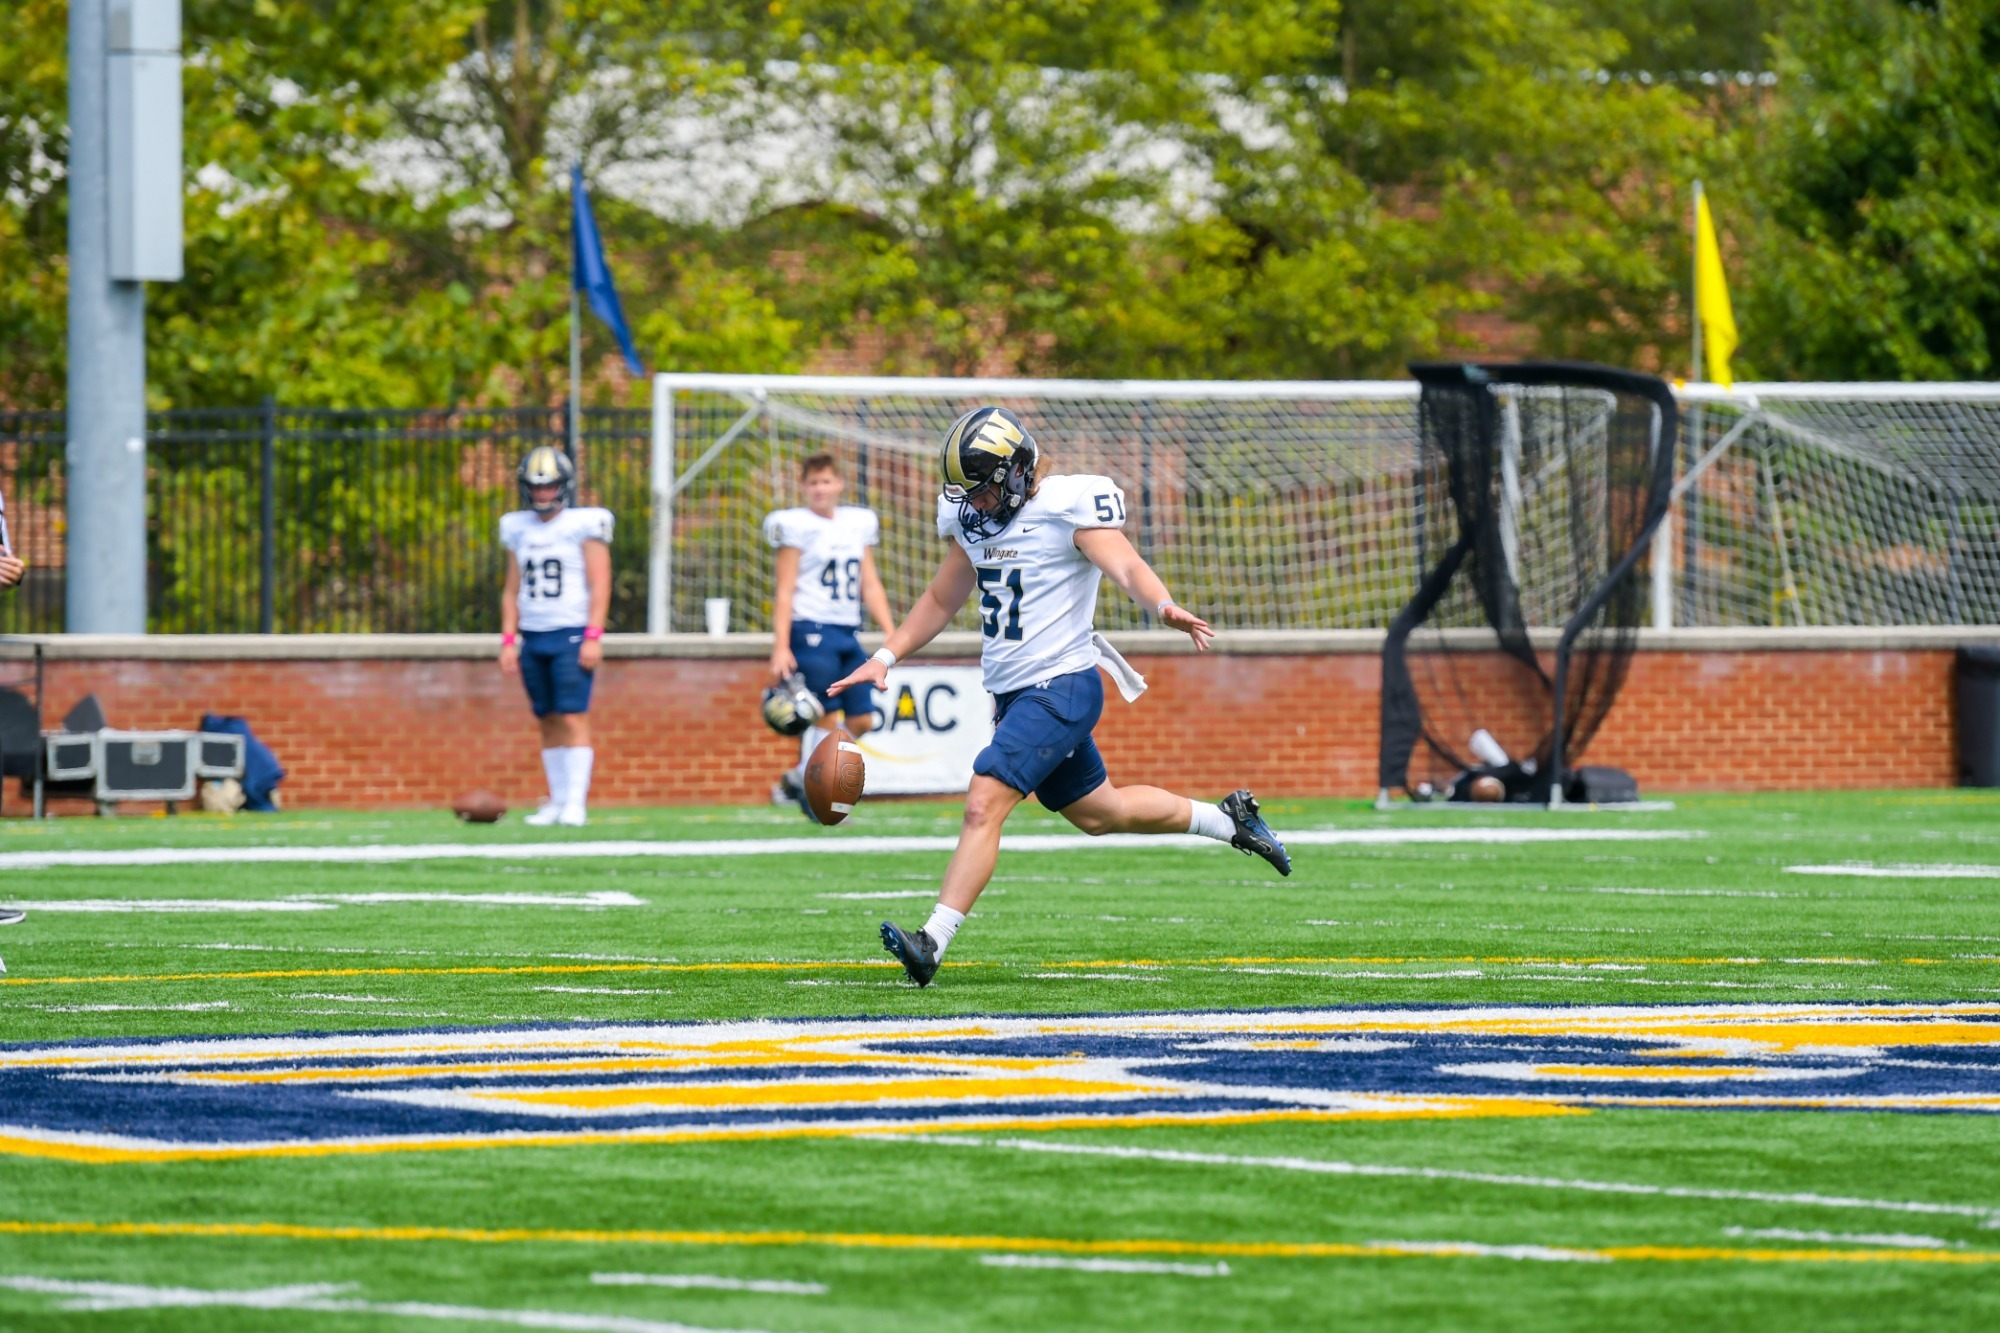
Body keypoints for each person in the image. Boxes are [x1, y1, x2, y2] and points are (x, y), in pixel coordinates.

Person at [828, 406, 1291, 987]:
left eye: (986, 489)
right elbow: (941, 599)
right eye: (967, 494)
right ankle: (1230, 822)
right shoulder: (974, 521)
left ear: (1018, 470)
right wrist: (885, 655)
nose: (977, 505)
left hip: (1063, 685)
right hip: (1014, 694)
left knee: (983, 801)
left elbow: (1123, 562)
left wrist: (1162, 604)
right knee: (1102, 812)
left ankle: (932, 941)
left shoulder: (1067, 504)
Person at [764, 453, 896, 817]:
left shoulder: (856, 524)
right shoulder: (797, 526)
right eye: (813, 483)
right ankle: (813, 792)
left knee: (862, 720)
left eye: (826, 481)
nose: (820, 489)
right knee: (824, 716)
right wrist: (780, 646)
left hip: (845, 631)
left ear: (839, 483)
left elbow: (869, 582)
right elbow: (785, 590)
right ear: (803, 487)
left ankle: (800, 776)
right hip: (810, 629)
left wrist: (891, 632)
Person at [499, 445, 612, 827]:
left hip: (570, 631)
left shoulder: (584, 525)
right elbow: (511, 589)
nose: (543, 493)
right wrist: (508, 639)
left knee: (573, 715)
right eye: (536, 486)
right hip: (534, 634)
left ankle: (575, 803)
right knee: (546, 717)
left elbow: (600, 583)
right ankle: (557, 799)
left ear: (563, 486)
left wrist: (593, 634)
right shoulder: (517, 528)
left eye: (550, 486)